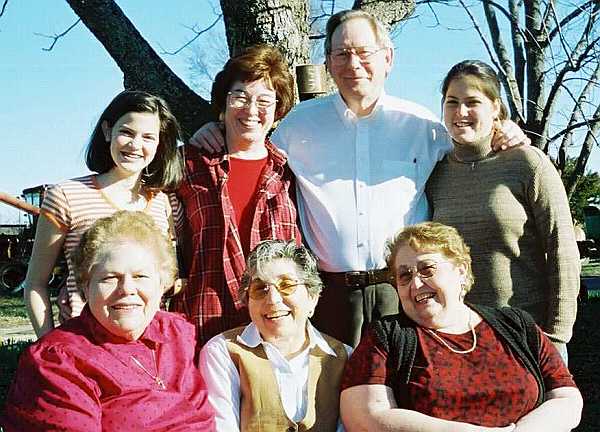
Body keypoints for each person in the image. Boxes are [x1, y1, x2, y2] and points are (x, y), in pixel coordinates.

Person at [189, 10, 529, 347]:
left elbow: (469, 146)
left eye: (364, 52)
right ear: (328, 62)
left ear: (388, 58)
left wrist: (503, 130)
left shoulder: (422, 126)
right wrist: (215, 127)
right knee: (335, 394)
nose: (353, 64)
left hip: (403, 290)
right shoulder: (297, 125)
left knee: (408, 384)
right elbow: (252, 142)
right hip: (330, 296)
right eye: (342, 53)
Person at [340, 222, 582, 431]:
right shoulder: (386, 336)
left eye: (427, 269)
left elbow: (566, 397)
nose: (415, 283)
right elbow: (364, 417)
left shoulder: (516, 325)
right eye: (404, 275)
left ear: (461, 271)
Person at [2, 211, 215, 431]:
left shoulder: (176, 333)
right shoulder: (60, 360)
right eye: (110, 278)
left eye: (141, 276)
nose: (127, 289)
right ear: (86, 286)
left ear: (163, 284)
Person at [426, 60, 580, 362]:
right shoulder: (435, 173)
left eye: (473, 103)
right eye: (452, 102)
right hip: (456, 339)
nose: (460, 113)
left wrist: (556, 336)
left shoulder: (527, 164)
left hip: (525, 335)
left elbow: (562, 250)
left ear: (495, 107)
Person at [170, 44, 301, 347]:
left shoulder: (289, 172)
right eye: (240, 96)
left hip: (275, 321)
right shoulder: (187, 165)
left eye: (265, 100)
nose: (252, 110)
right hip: (204, 321)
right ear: (223, 103)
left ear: (278, 110)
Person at [24, 90, 183, 338]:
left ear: (159, 143)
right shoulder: (66, 195)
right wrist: (49, 344)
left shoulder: (165, 204)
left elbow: (171, 279)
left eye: (148, 137)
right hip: (83, 342)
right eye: (127, 133)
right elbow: (35, 284)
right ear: (108, 131)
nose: (135, 145)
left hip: (147, 344)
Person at [199, 240, 350, 431]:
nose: (273, 299)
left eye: (286, 285)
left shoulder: (344, 356)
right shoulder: (222, 353)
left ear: (312, 297)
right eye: (260, 288)